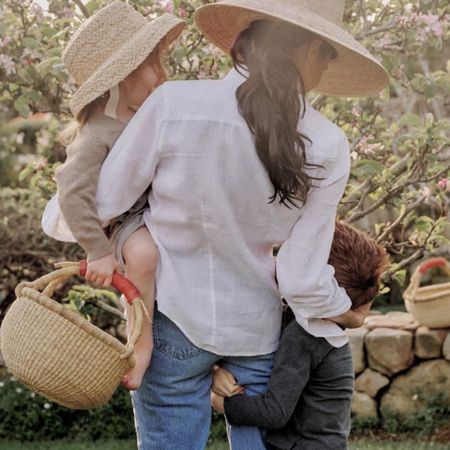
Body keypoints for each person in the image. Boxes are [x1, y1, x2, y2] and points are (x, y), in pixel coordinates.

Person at [93, 0, 389, 448]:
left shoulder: (174, 105)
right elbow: (299, 276)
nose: (326, 71)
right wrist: (344, 309)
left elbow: (103, 203)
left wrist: (136, 245)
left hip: (172, 321)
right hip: (257, 331)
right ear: (308, 48)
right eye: (328, 54)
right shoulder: (327, 143)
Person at [41, 1, 185, 390]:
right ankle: (140, 345)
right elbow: (72, 191)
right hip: (126, 221)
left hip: (160, 209)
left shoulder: (146, 114)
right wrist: (98, 250)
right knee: (142, 255)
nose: (161, 76)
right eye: (152, 65)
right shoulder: (98, 132)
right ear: (121, 76)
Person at [211, 221, 389, 450]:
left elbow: (274, 412)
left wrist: (216, 401)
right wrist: (215, 368)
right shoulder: (322, 321)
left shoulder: (306, 335)